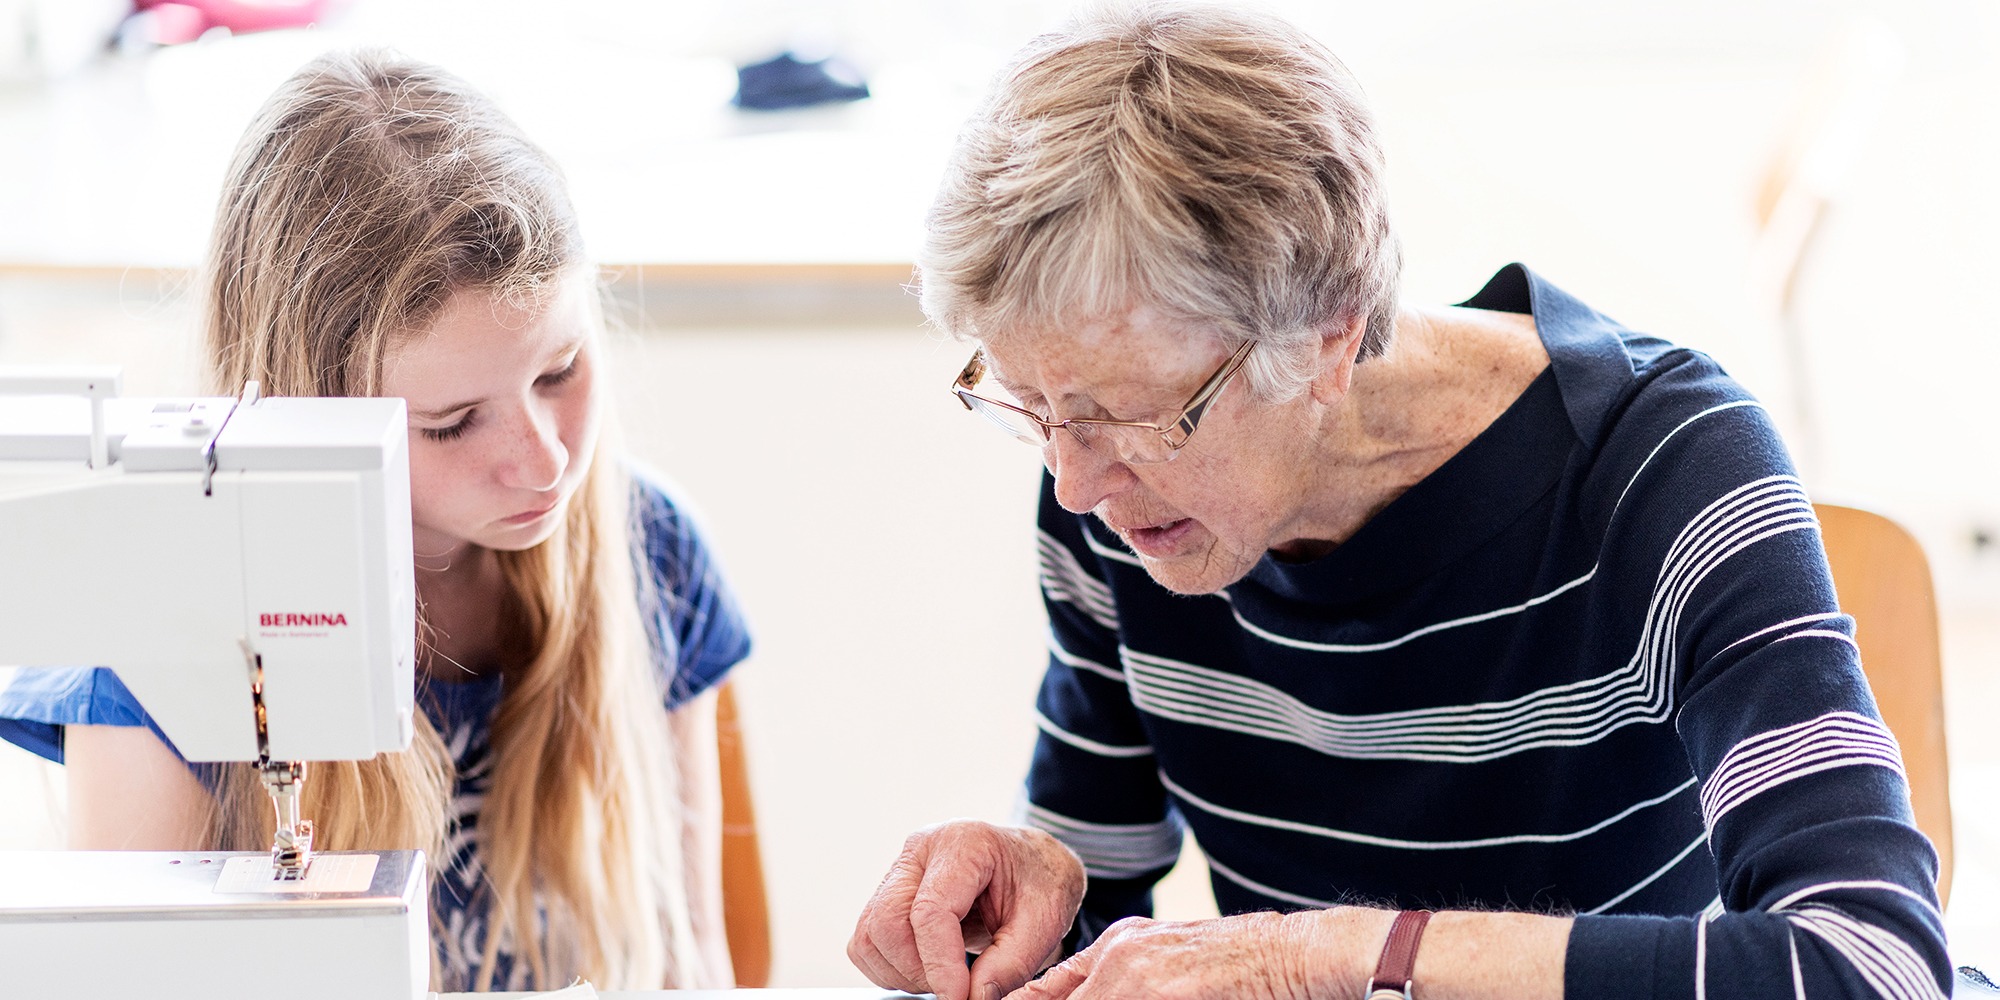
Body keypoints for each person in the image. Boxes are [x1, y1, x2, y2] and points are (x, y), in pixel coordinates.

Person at [847, 5, 1950, 999]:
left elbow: (1871, 965)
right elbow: (1116, 938)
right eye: (1034, 407)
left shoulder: (1660, 468)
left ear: (1326, 336)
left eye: (1132, 417)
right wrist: (1027, 897)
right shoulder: (1119, 500)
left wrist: (1326, 953)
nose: (1075, 483)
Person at [0, 51, 751, 992]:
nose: (547, 458)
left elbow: (695, 964)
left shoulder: (654, 553)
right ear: (313, 409)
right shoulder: (155, 656)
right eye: (451, 423)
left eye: (559, 370)